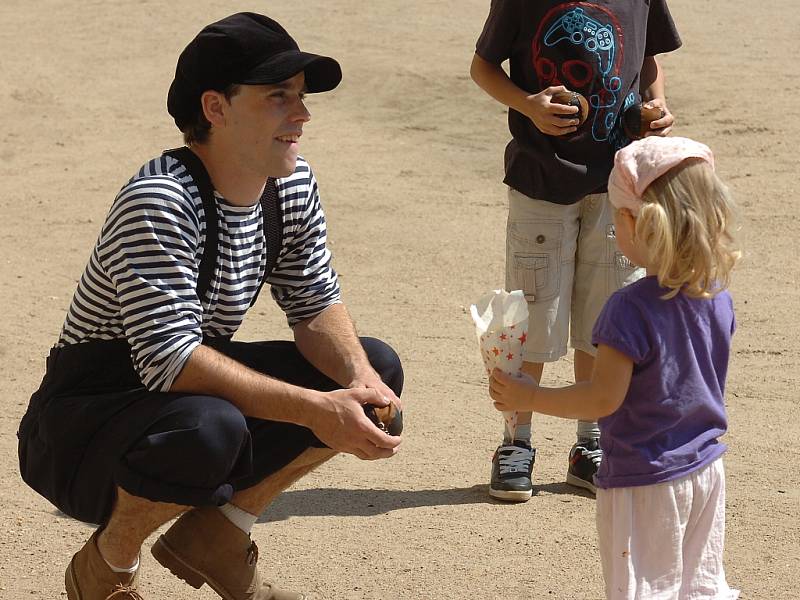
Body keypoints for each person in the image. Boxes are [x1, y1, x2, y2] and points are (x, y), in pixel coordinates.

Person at [17, 12, 404, 600]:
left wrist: (357, 381)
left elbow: (314, 301)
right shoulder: (161, 198)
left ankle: (219, 537)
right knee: (210, 428)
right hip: (78, 427)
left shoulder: (290, 185)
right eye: (279, 97)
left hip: (178, 397)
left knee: (375, 371)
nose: (301, 115)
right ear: (216, 108)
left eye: (300, 98)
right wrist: (317, 410)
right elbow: (172, 363)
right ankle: (109, 565)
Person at [489, 136, 741, 599]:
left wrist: (530, 397)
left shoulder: (628, 308)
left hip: (645, 479)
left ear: (636, 223)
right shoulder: (716, 294)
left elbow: (602, 398)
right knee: (699, 589)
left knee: (644, 591)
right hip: (705, 469)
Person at [470, 0, 683, 501]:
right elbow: (483, 65)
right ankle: (516, 442)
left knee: (603, 312)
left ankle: (590, 444)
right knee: (532, 314)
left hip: (618, 181)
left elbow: (649, 57)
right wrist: (528, 105)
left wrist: (656, 107)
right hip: (539, 179)